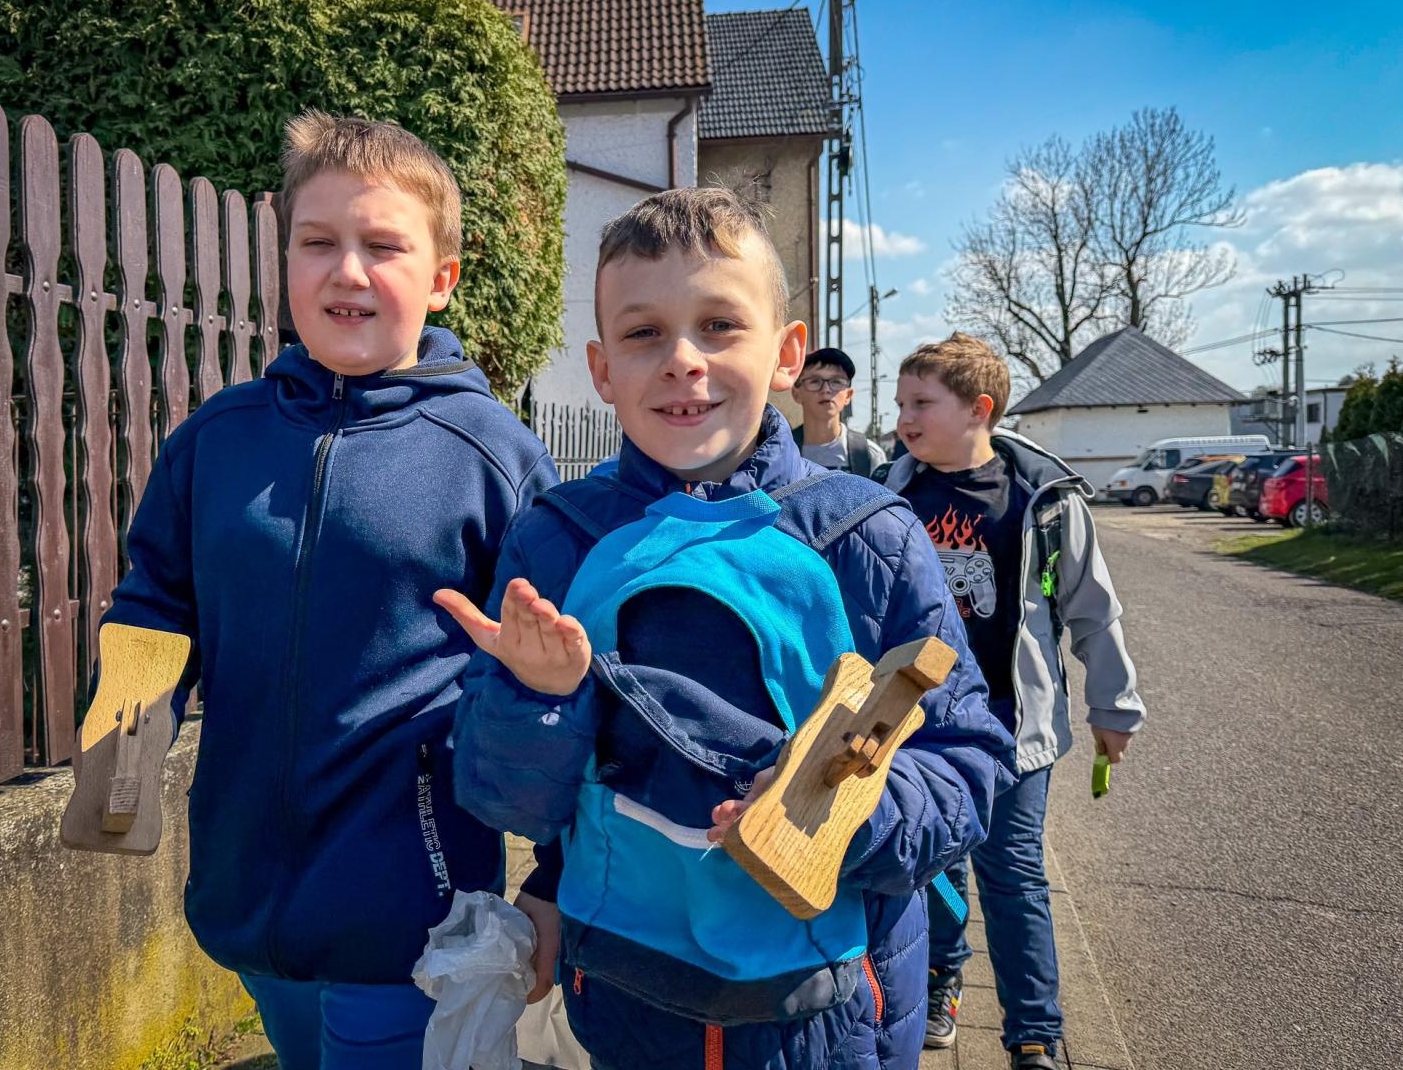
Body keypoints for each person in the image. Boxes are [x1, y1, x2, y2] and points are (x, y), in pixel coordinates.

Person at [442, 189, 1014, 1070]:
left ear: (786, 354)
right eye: (643, 334)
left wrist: (835, 816)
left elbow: (968, 759)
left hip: (834, 1013)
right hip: (625, 1001)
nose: (682, 361)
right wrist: (536, 698)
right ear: (600, 369)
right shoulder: (556, 541)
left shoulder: (869, 537)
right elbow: (506, 800)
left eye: (718, 325)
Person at [93, 112, 558, 1070]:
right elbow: (155, 600)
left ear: (441, 279)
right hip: (240, 893)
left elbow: (561, 677)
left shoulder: (493, 456)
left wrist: (554, 874)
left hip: (410, 907)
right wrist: (122, 749)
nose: (348, 270)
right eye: (319, 243)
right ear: (286, 263)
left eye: (383, 246)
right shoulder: (214, 440)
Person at [885, 333, 1145, 1070]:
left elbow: (1094, 610)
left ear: (980, 410)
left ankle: (1033, 1033)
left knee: (1014, 875)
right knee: (933, 866)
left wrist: (1113, 708)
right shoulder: (890, 493)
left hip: (1011, 727)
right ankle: (940, 978)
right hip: (918, 727)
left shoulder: (1046, 502)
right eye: (901, 402)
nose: (903, 418)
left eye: (921, 404)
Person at [790, 347, 887, 476]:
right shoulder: (780, 451)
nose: (826, 390)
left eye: (836, 382)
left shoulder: (868, 455)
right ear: (796, 394)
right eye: (814, 381)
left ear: (848, 395)